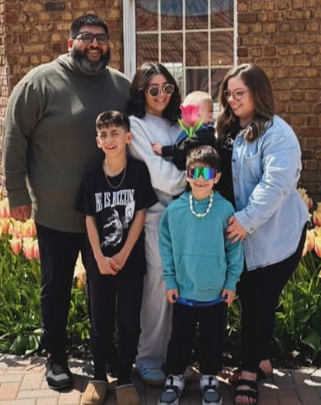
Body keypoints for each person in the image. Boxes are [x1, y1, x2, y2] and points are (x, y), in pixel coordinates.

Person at [2, 14, 130, 391]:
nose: (95, 44)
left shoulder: (121, 86)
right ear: (70, 42)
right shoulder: (39, 82)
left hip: (106, 214)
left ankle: (103, 354)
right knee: (56, 287)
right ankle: (56, 356)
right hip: (57, 213)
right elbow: (14, 137)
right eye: (86, 37)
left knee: (104, 290)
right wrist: (17, 193)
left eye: (102, 38)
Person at [215, 64, 309, 405]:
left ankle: (248, 376)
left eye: (240, 93)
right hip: (240, 233)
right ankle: (260, 359)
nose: (232, 99)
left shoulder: (277, 133)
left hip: (274, 237)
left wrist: (246, 219)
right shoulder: (227, 128)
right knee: (249, 297)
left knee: (258, 301)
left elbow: (276, 184)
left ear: (259, 93)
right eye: (228, 93)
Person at [74, 111, 157, 405]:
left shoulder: (138, 172)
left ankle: (123, 377)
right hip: (99, 262)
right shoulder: (91, 174)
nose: (110, 140)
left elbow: (140, 214)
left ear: (127, 137)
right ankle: (99, 376)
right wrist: (98, 257)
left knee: (128, 321)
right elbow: (89, 218)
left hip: (130, 262)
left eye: (115, 133)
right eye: (104, 135)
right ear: (98, 141)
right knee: (100, 320)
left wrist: (123, 253)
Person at [157, 146, 243, 405]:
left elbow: (234, 248)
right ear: (187, 175)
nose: (201, 179)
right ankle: (175, 377)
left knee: (212, 340)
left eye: (207, 173)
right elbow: (166, 247)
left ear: (217, 177)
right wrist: (170, 280)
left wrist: (231, 282)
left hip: (215, 293)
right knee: (179, 339)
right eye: (195, 172)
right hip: (184, 291)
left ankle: (209, 378)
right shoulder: (175, 211)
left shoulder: (225, 210)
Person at [125, 62, 185, 386]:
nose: (162, 95)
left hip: (185, 218)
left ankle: (174, 357)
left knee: (181, 287)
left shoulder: (176, 125)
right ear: (141, 92)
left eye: (167, 88)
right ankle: (148, 358)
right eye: (154, 89)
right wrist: (191, 179)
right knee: (158, 286)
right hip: (155, 218)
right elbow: (158, 174)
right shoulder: (136, 125)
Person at [151, 91, 216, 170]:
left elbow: (183, 148)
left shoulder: (204, 135)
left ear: (209, 117)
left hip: (199, 173)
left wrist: (163, 150)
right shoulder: (194, 130)